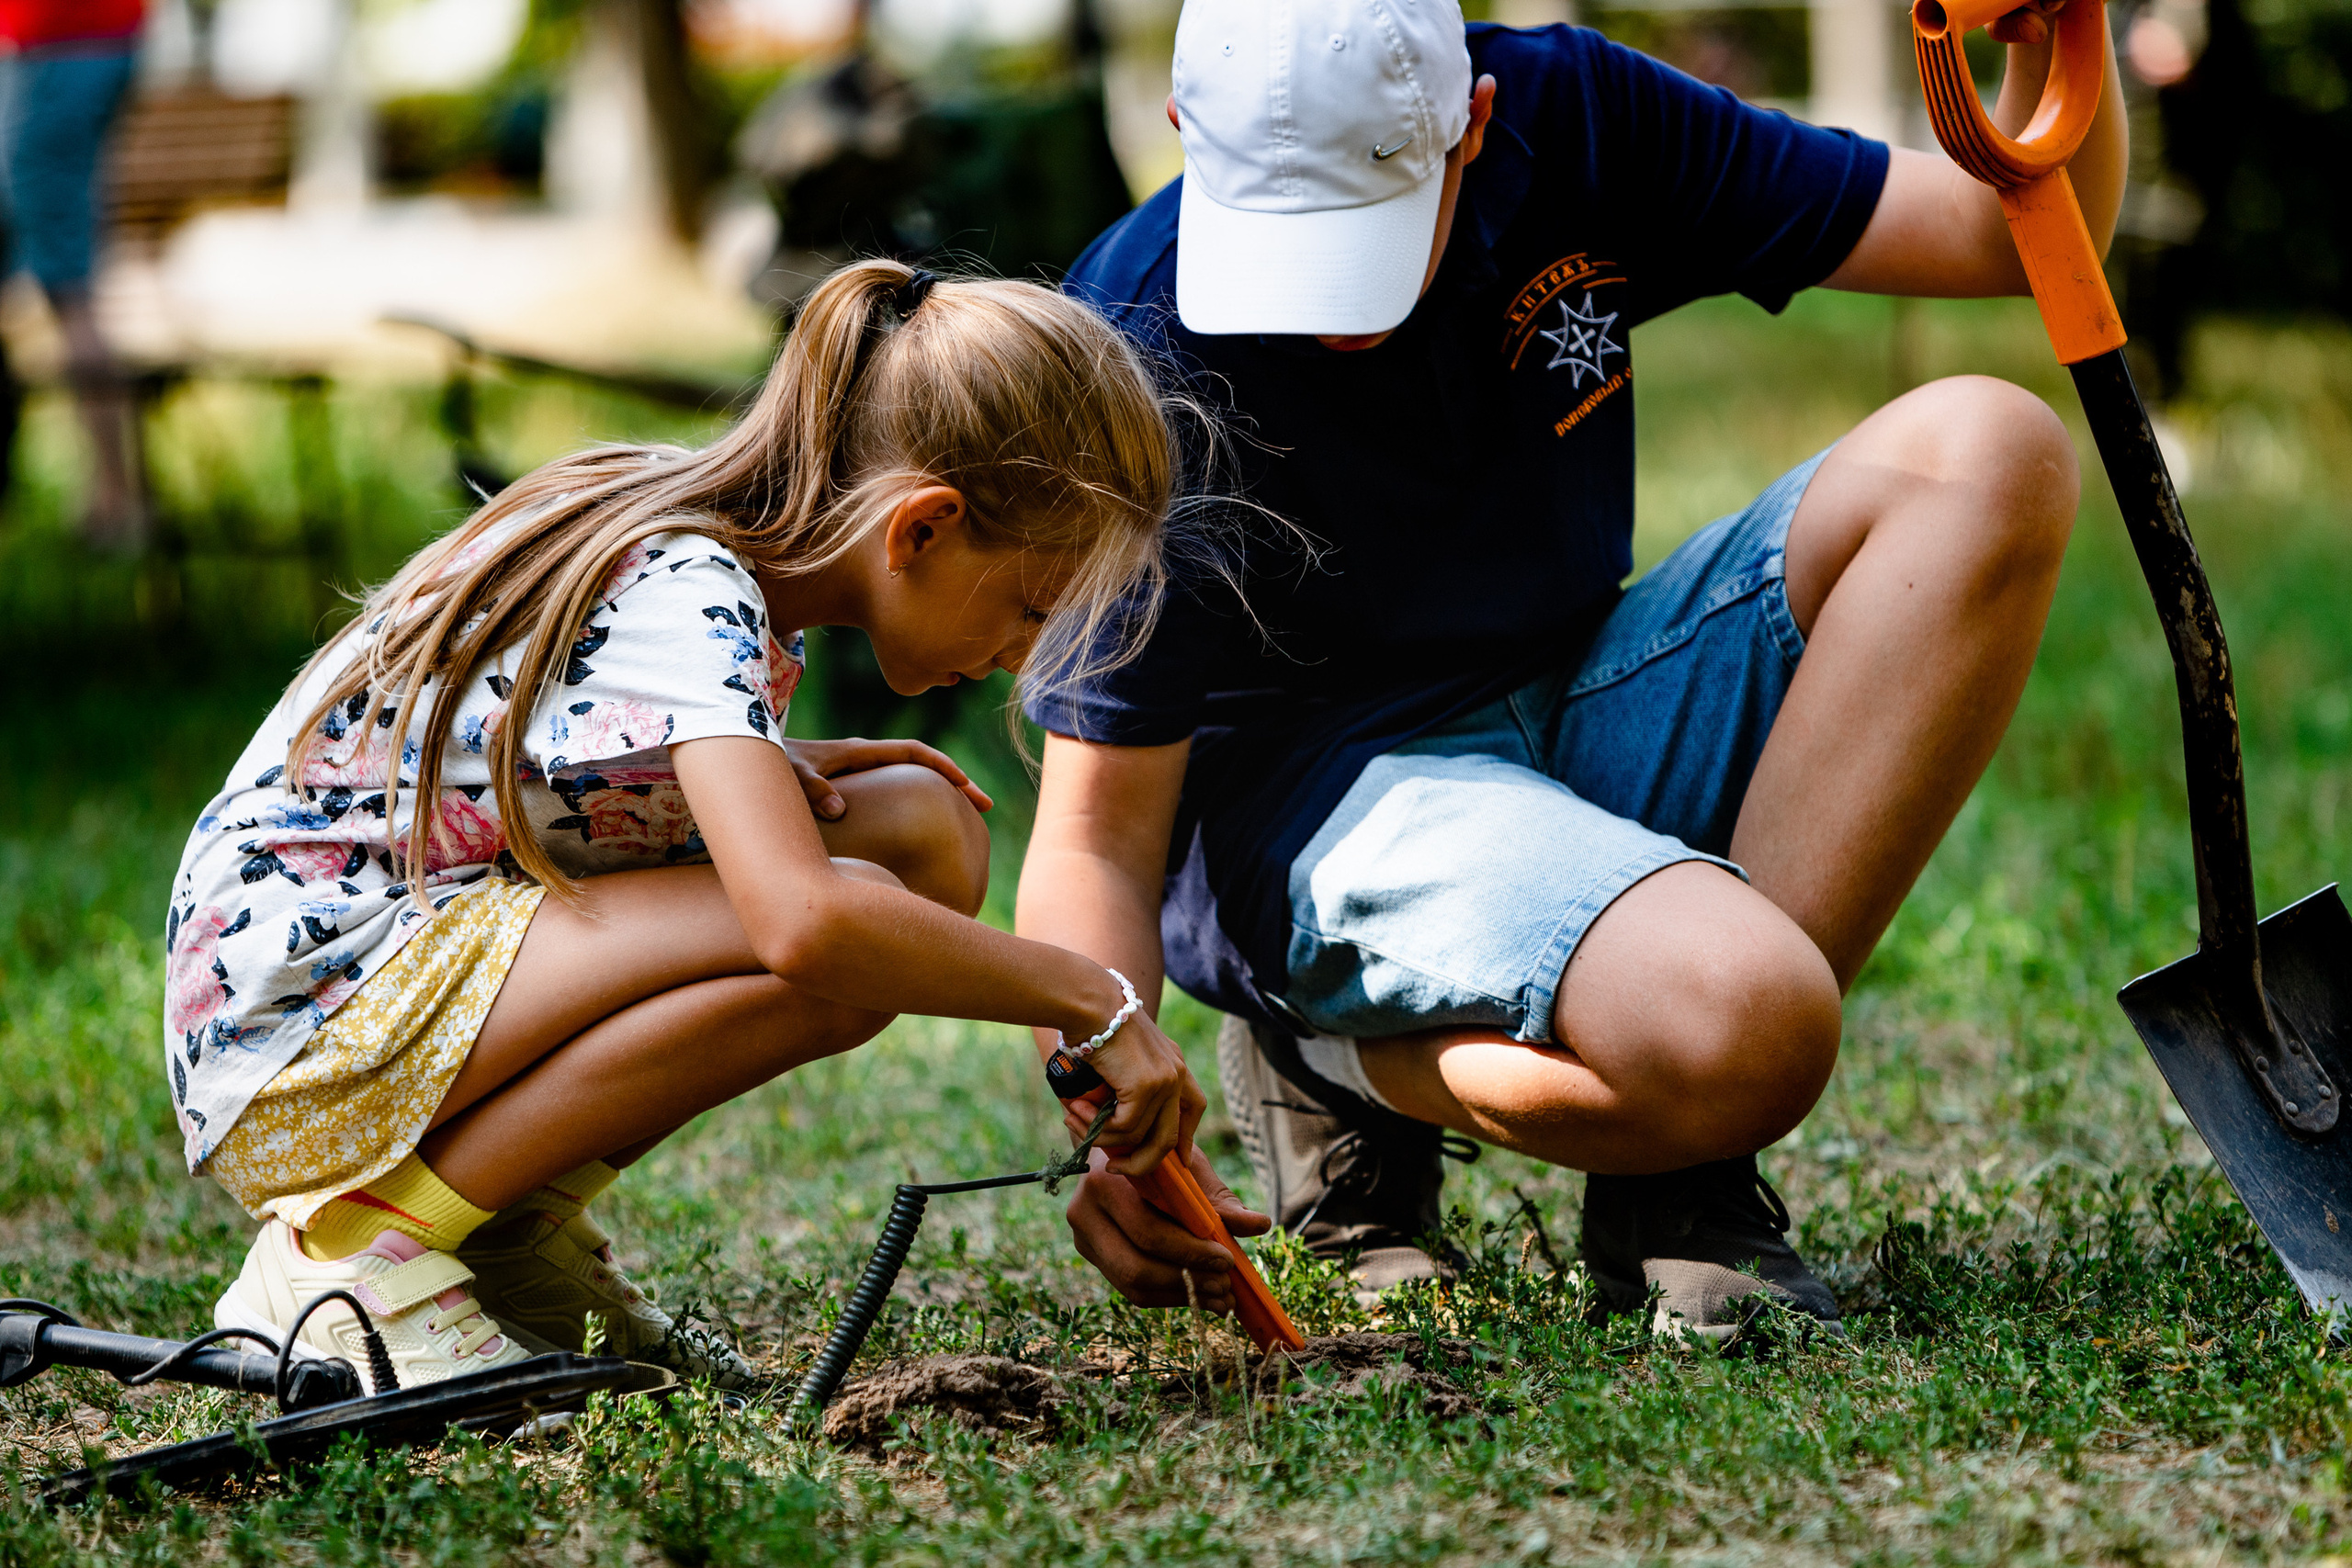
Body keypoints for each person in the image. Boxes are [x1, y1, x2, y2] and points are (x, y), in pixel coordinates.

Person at [1015, 0, 2122, 1340]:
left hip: (1580, 689)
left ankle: (1681, 1156)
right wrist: (1103, 1116)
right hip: (1320, 806)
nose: (1322, 313)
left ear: (1475, 124)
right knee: (1762, 1023)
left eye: (1362, 237)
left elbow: (1999, 228)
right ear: (1190, 131)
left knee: (1989, 451)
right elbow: (1095, 836)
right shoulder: (1128, 343)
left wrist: (2053, 36)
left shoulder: (1579, 114)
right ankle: (1338, 1054)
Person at [168, 261, 1210, 1390]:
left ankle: (501, 1228)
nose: (1026, 653)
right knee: (854, 918)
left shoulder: (717, 546)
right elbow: (803, 927)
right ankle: (355, 1255)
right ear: (921, 528)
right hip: (306, 1022)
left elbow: (503, 757)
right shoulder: (687, 586)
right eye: (1032, 606)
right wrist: (1088, 998)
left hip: (378, 970)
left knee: (921, 834)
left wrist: (777, 765)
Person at [0, 0, 146, 547]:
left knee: (69, 289)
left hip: (56, 39)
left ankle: (118, 507)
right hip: (72, 40)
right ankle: (116, 500)